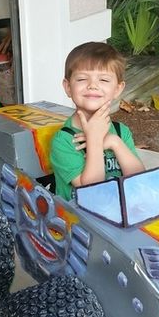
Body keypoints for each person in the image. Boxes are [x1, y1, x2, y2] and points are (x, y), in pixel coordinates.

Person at [50, 42, 145, 201]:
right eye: (81, 79)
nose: (93, 86)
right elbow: (92, 190)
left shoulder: (121, 132)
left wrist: (114, 142)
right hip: (79, 220)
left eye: (104, 80)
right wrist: (94, 139)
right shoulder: (64, 140)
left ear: (118, 89)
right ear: (68, 87)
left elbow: (139, 179)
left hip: (117, 210)